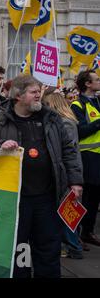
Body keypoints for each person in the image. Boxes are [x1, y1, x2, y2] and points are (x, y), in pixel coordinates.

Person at [0, 75, 83, 278]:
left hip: (48, 197)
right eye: (34, 92)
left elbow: (68, 150)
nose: (39, 96)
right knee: (16, 249)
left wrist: (75, 181)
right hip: (14, 201)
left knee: (49, 248)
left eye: (39, 92)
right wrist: (0, 145)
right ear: (18, 96)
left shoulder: (51, 118)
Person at [42, 93, 84, 259]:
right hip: (67, 172)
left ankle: (73, 246)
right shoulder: (68, 122)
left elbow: (66, 150)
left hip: (66, 174)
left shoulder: (65, 123)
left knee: (67, 212)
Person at [70, 70, 100, 248]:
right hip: (87, 157)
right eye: (96, 80)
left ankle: (88, 231)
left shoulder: (97, 101)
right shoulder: (77, 104)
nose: (99, 81)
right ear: (87, 84)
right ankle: (78, 234)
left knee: (96, 197)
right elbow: (80, 131)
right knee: (85, 197)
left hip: (98, 157)